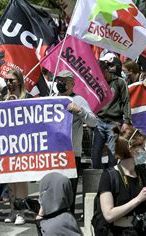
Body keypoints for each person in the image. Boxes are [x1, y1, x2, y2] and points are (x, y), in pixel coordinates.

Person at [97, 127, 146, 236]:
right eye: (141, 147)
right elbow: (109, 215)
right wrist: (139, 199)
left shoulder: (143, 172)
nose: (144, 150)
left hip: (142, 231)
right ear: (130, 148)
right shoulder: (109, 176)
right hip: (119, 232)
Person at [55, 70, 97, 213]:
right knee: (55, 188)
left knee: (69, 189)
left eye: (64, 81)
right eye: (58, 80)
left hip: (71, 152)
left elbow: (93, 122)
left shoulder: (78, 100)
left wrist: (80, 111)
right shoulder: (51, 99)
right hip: (53, 153)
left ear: (72, 84)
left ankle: (68, 218)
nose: (60, 83)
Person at [2, 69, 31, 225]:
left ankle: (22, 212)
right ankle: (13, 209)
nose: (9, 83)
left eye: (12, 80)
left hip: (22, 142)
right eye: (7, 80)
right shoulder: (3, 97)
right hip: (7, 143)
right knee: (10, 179)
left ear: (19, 81)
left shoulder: (27, 97)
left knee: (20, 178)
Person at [92, 60, 132, 169]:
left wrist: (127, 121)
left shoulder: (119, 82)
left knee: (113, 153)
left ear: (106, 71)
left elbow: (126, 102)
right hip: (99, 121)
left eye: (100, 74)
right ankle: (97, 177)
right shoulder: (96, 83)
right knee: (95, 152)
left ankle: (111, 177)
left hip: (114, 123)